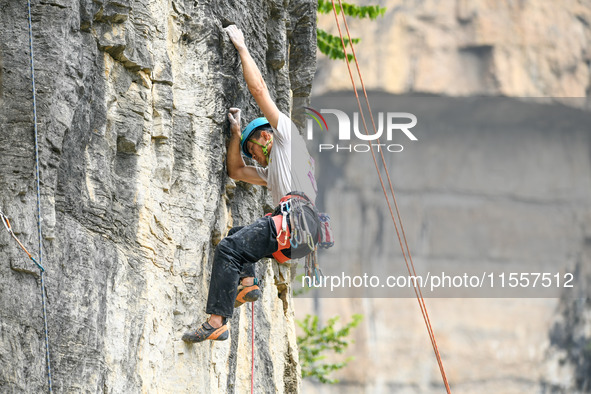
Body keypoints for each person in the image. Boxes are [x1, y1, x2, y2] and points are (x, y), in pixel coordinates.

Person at [182, 25, 319, 343]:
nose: (253, 156)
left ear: (265, 136)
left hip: (295, 220)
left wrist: (242, 47)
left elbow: (259, 90)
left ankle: (217, 322)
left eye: (252, 148)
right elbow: (235, 171)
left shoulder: (286, 137)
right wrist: (235, 136)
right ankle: (246, 284)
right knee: (235, 237)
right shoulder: (274, 172)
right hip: (299, 231)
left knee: (228, 249)